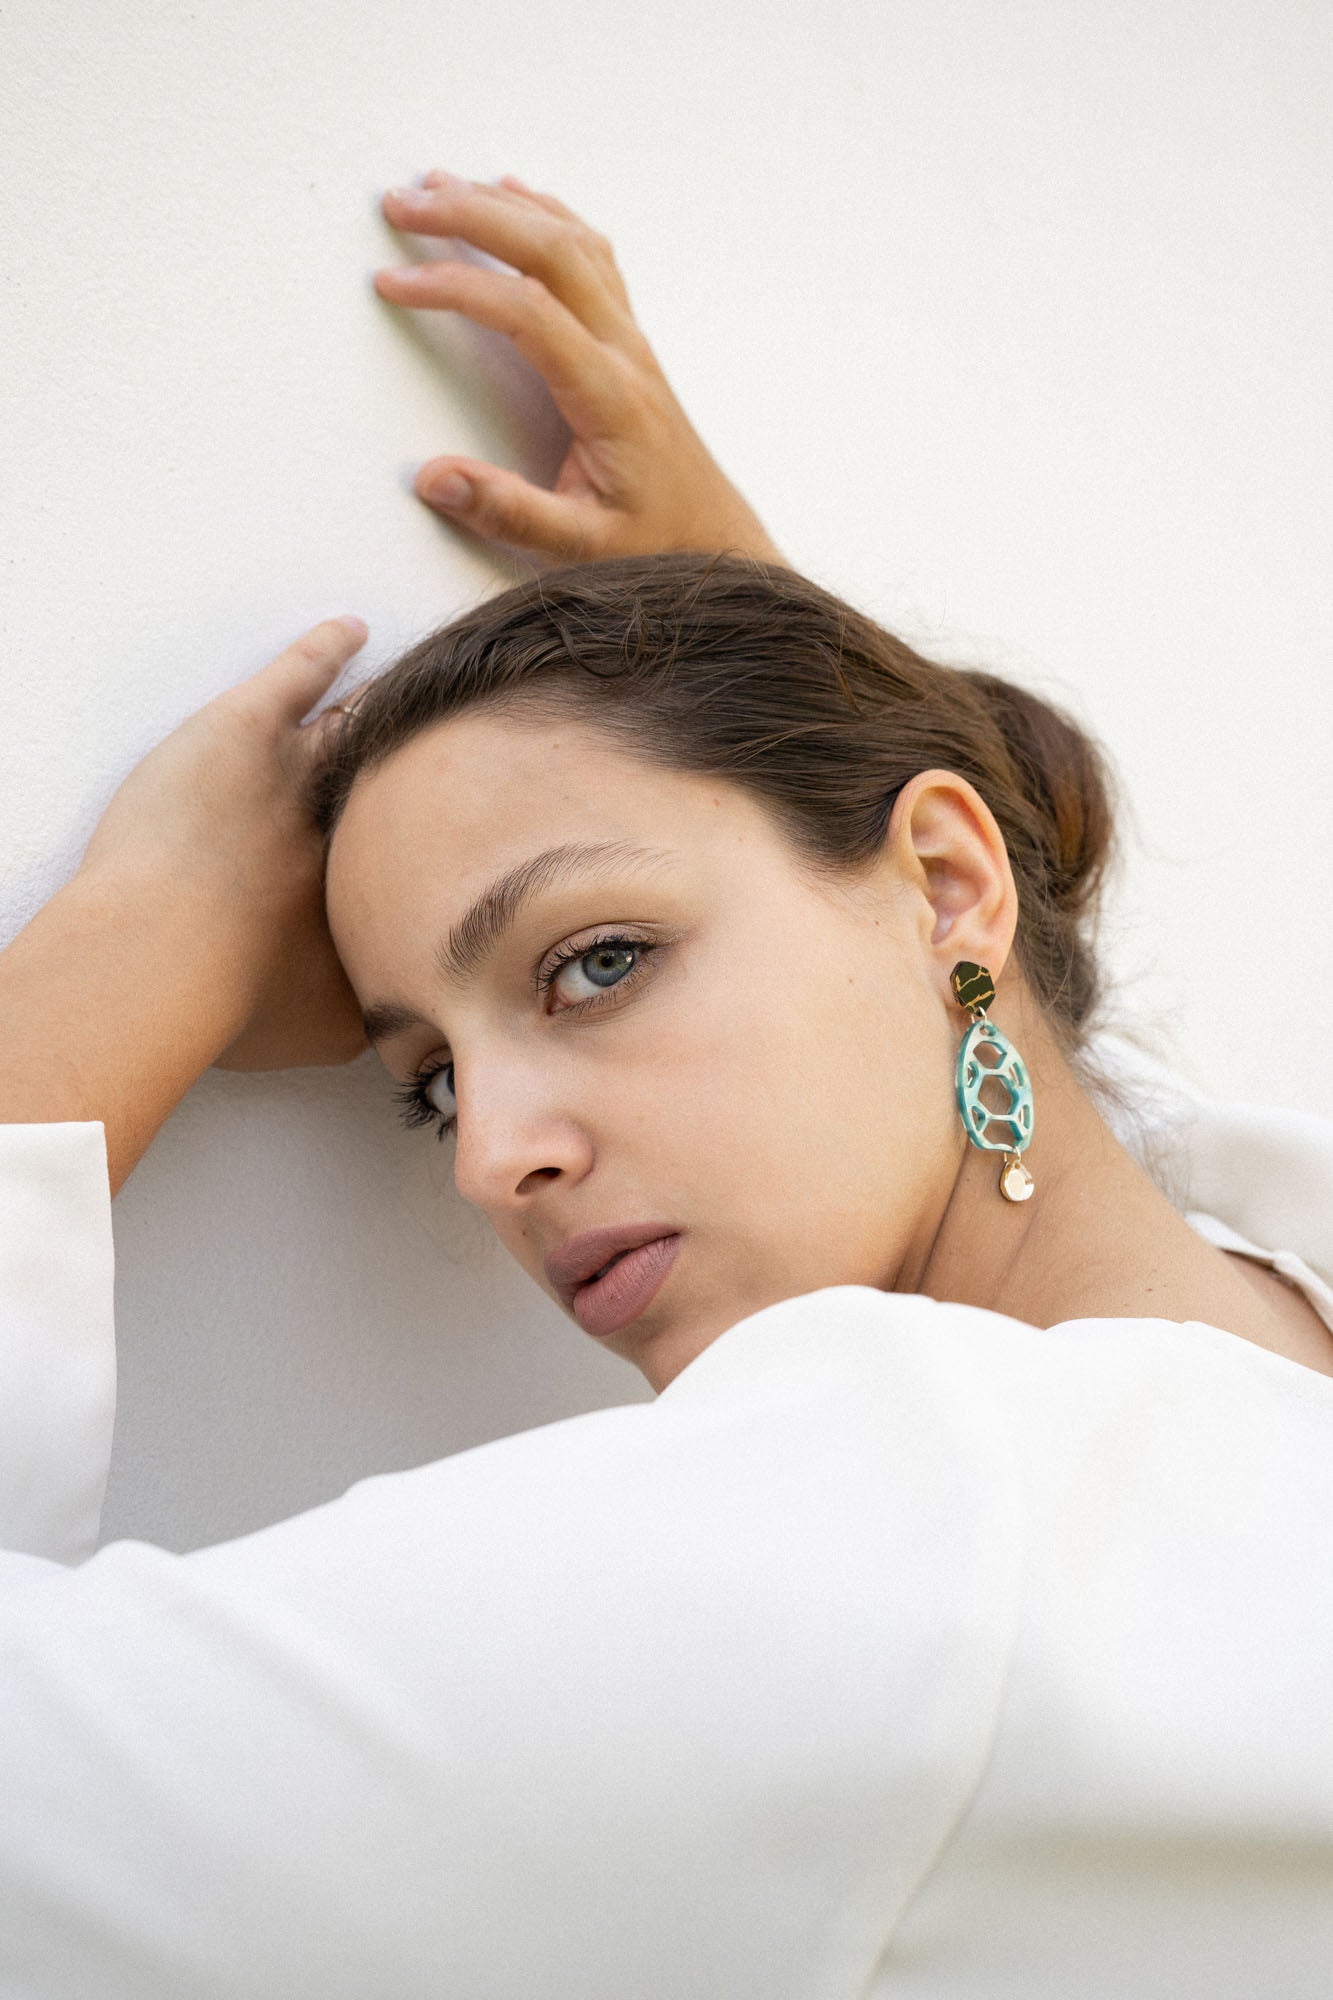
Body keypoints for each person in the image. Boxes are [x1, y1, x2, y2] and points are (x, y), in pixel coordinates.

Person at [0, 171, 1330, 1999]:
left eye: (597, 962)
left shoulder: (892, 1519)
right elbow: (1081, 1120)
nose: (492, 1163)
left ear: (948, 879)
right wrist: (774, 661)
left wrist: (108, 970)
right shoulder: (1260, 1344)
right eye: (427, 1082)